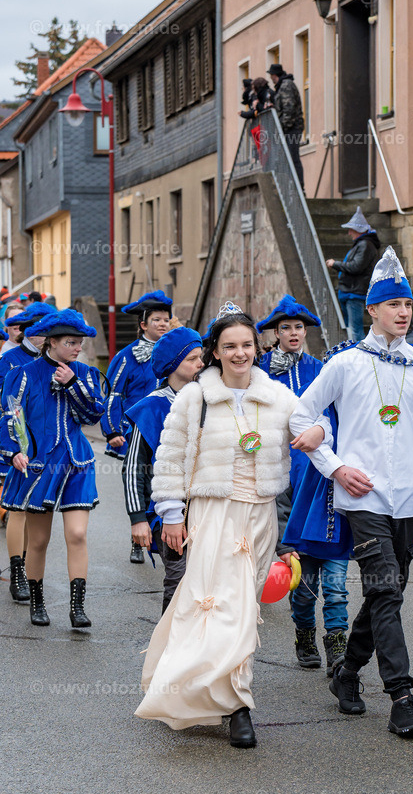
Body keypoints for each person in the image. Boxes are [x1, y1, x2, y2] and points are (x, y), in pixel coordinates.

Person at [135, 303, 328, 748]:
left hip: (259, 517)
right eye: (229, 346)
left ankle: (221, 693)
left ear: (256, 349)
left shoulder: (279, 396)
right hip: (211, 512)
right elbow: (169, 456)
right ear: (215, 352)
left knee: (245, 608)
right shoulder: (194, 397)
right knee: (220, 606)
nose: (239, 353)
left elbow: (315, 430)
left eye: (246, 345)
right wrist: (170, 513)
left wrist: (320, 435)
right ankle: (238, 706)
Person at [290, 247, 413, 738]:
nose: (404, 313)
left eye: (408, 305)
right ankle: (402, 697)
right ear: (372, 310)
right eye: (394, 305)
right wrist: (336, 468)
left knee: (389, 593)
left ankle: (345, 674)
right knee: (383, 588)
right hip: (361, 500)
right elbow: (301, 417)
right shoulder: (345, 363)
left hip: (408, 501)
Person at [257, 294, 351, 675]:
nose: (293, 333)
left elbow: (335, 412)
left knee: (332, 575)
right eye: (286, 328)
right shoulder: (262, 369)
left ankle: (339, 652)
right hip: (279, 468)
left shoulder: (321, 367)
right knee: (297, 566)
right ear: (276, 333)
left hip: (319, 468)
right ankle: (303, 631)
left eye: (299, 327)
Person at [0, 310, 104, 628]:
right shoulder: (25, 374)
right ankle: (38, 601)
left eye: (80, 343)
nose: (77, 349)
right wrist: (15, 451)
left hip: (77, 463)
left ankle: (77, 608)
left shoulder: (84, 374)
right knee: (40, 540)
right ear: (52, 343)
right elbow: (10, 414)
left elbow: (92, 415)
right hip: (38, 464)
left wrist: (72, 384)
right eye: (71, 343)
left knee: (76, 533)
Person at [123, 327, 204, 614]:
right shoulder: (152, 407)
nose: (201, 364)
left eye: (201, 357)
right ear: (172, 366)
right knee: (179, 581)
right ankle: (169, 649)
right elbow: (134, 467)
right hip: (169, 514)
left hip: (208, 508)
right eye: (192, 359)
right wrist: (137, 518)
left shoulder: (210, 400)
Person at [101, 290, 172, 563]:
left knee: (164, 485)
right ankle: (137, 536)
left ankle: (161, 532)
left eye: (166, 319)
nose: (163, 324)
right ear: (143, 324)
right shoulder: (126, 356)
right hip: (135, 433)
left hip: (168, 432)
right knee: (139, 484)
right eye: (157, 320)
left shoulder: (175, 354)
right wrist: (112, 430)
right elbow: (113, 394)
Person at [0, 303, 52, 603]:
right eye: (46, 332)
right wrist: (15, 444)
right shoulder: (10, 359)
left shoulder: (55, 363)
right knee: (17, 508)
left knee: (37, 510)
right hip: (16, 441)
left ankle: (31, 569)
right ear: (32, 331)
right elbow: (8, 405)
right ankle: (17, 572)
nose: (50, 338)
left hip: (47, 446)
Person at [325, 207, 381, 343]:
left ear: (358, 230)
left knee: (355, 330)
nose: (349, 233)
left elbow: (356, 267)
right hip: (350, 291)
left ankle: (361, 358)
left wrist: (335, 264)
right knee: (351, 328)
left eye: (351, 229)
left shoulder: (365, 245)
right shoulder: (362, 244)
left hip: (354, 292)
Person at [267, 62, 305, 190]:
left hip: (292, 128)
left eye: (271, 75)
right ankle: (294, 187)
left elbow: (289, 109)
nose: (271, 78)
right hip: (291, 127)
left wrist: (282, 128)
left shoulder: (285, 86)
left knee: (292, 157)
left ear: (274, 75)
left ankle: (299, 187)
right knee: (289, 158)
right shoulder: (283, 85)